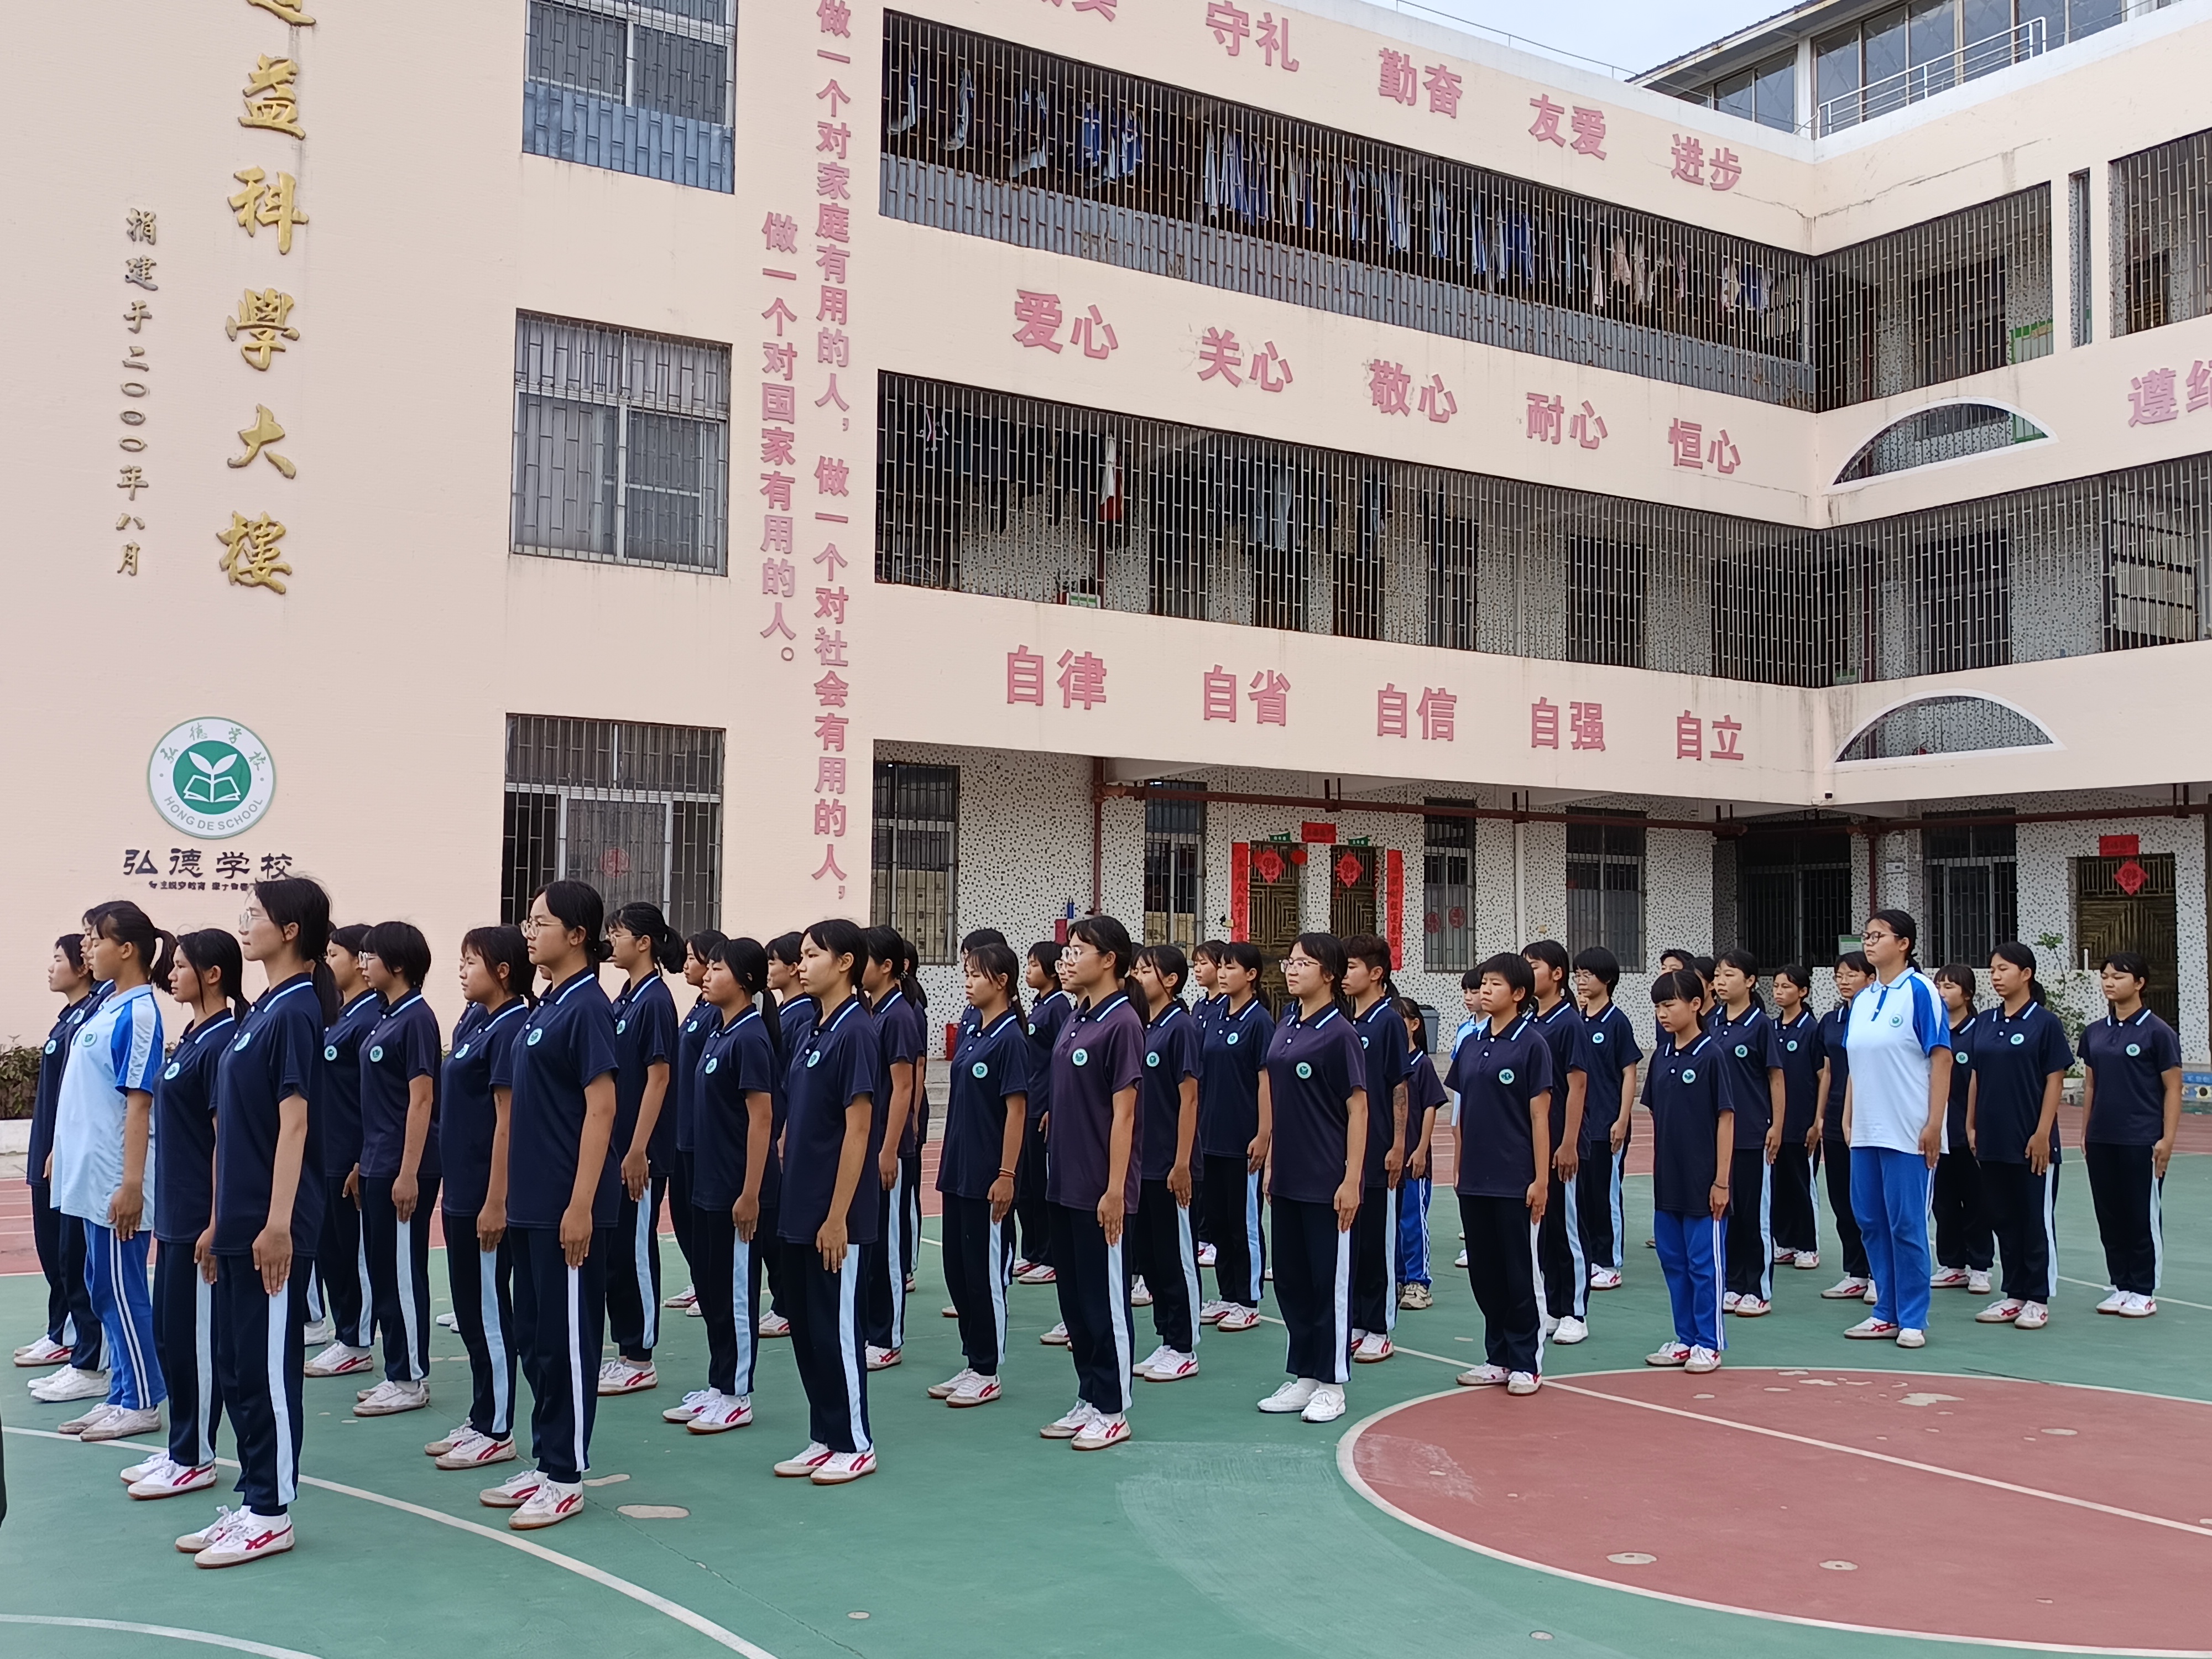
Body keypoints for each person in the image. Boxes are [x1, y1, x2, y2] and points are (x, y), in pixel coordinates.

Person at [177, 877, 336, 1567]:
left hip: (274, 1227)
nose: (245, 923)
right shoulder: (263, 1010)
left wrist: (278, 1224)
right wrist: (222, 1221)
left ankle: (271, 1512)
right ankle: (251, 1501)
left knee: (269, 1373)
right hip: (241, 1221)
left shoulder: (297, 1010)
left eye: (256, 914)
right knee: (240, 1368)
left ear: (291, 929)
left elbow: (294, 1123)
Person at [478, 881, 619, 1530]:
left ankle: (566, 1474)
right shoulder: (547, 1006)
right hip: (532, 1206)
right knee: (536, 1339)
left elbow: (601, 1108)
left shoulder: (587, 1007)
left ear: (577, 935)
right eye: (528, 921)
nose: (528, 932)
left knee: (566, 1343)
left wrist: (581, 1204)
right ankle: (545, 1460)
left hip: (567, 1207)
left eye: (541, 922)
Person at [45, 901, 171, 1440]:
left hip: (114, 1181)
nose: (88, 949)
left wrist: (131, 1185)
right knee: (102, 1287)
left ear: (127, 949)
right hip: (90, 1176)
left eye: (96, 940)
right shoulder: (108, 1006)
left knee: (122, 1290)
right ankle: (121, 1392)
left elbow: (139, 1104)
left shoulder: (139, 1015)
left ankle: (142, 1401)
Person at [126, 930, 243, 1496]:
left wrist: (216, 1223)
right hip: (173, 1218)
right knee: (171, 1338)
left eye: (179, 966)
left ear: (213, 974)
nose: (169, 974)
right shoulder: (194, 1037)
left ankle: (196, 1455)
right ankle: (181, 1446)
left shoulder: (222, 1043)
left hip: (199, 1219)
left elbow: (226, 1141)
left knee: (197, 1344)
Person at [773, 919, 883, 1484]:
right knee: (808, 1329)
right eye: (801, 955)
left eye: (813, 955)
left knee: (837, 1331)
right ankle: (825, 1434)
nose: (801, 965)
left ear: (845, 963)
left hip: (836, 1216)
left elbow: (858, 1131)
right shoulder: (813, 1029)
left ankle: (854, 1443)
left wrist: (838, 1216)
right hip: (799, 1208)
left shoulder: (856, 1032)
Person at [426, 925, 530, 1473]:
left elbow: (508, 1123)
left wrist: (496, 1201)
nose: (462, 971)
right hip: (461, 1191)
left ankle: (497, 1427)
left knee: (490, 1311)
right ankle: (481, 1413)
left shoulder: (510, 1028)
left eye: (472, 962)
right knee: (469, 1310)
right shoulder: (476, 1021)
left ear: (503, 971)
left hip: (486, 1197)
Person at [1040, 915, 1144, 1452]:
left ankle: (1113, 1407)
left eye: (1079, 949)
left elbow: (1124, 1115)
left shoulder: (1122, 1023)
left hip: (1100, 1189)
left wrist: (1114, 1189)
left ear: (1109, 960)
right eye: (1068, 949)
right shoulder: (1076, 1016)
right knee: (1077, 1302)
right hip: (1064, 1183)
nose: (1068, 958)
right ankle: (1089, 1394)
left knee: (1105, 1303)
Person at [1255, 933, 1368, 1423]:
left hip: (1327, 1181)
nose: (1292, 969)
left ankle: (1332, 1383)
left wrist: (1352, 1178)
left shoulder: (1339, 1033)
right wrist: (1272, 1162)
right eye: (1290, 961)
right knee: (1293, 1281)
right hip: (1288, 1178)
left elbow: (1358, 1108)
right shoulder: (1286, 1024)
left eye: (1304, 962)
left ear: (1330, 974)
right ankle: (1304, 1375)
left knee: (1328, 1283)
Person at [674, 937, 782, 1436]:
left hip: (738, 1189)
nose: (708, 975)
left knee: (737, 1291)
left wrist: (750, 1193)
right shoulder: (720, 1032)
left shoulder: (750, 1038)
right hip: (709, 1183)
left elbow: (762, 1120)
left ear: (745, 981)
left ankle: (737, 1394)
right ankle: (719, 1385)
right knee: (713, 1289)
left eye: (718, 968)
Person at [1445, 953, 1553, 1396]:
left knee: (1518, 1272)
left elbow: (1540, 1117)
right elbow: (1462, 1112)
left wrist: (1541, 1179)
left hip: (1515, 1180)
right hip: (1476, 1178)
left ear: (1519, 993)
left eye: (1495, 984)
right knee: (1485, 1273)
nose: (1485, 991)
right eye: (1483, 983)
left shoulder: (1532, 1045)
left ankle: (1526, 1361)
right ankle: (1498, 1357)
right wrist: (1459, 1167)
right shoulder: (1471, 1043)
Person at [1839, 910, 1948, 1348]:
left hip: (1908, 1131)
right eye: (1866, 936)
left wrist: (1934, 1123)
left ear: (1904, 944)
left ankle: (1913, 1317)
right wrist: (1848, 1117)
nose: (1868, 942)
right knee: (1870, 1220)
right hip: (1866, 1131)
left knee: (1906, 1226)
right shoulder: (1863, 1000)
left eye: (1878, 936)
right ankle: (1884, 1310)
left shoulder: (1920, 991)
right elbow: (1856, 1063)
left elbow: (1941, 1058)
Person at [931, 941, 1029, 1408]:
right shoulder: (974, 1031)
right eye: (966, 974)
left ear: (1002, 981)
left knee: (982, 1275)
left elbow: (1016, 1111)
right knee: (956, 1269)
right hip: (958, 1171)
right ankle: (972, 1360)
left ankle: (987, 1369)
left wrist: (1006, 1173)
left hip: (988, 1175)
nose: (967, 982)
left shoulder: (1011, 1038)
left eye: (975, 975)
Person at [352, 921, 442, 1418]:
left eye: (371, 956)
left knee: (404, 1273)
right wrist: (363, 1163)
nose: (363, 964)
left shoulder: (417, 1019)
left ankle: (411, 1378)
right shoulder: (384, 1016)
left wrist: (408, 1172)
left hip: (403, 1168)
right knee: (383, 1271)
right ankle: (396, 1371)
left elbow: (421, 1099)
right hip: (377, 1162)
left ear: (400, 963)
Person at [1968, 941, 2071, 1332]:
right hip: (1992, 1141)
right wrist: (1971, 1125)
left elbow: (2055, 1080)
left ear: (2026, 974)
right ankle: (2014, 1294)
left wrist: (2042, 1133)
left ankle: (2038, 1298)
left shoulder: (2044, 1023)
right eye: (1992, 970)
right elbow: (1976, 1075)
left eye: (2004, 969)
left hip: (2031, 1142)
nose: (1996, 977)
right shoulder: (1985, 1022)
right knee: (2003, 1218)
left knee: (2034, 1221)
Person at [17, 933, 105, 1383]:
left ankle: (77, 1337)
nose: (51, 968)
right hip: (47, 1153)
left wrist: (60, 1147)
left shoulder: (91, 1018)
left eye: (59, 958)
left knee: (71, 1254)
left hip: (64, 1154)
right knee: (52, 1249)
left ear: (82, 967)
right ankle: (60, 1329)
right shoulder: (68, 1019)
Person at [601, 902, 681, 1396]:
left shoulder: (655, 1001)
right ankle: (625, 1348)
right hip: (616, 1147)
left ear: (644, 942)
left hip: (639, 1154)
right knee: (616, 1253)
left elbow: (659, 1078)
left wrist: (638, 1149)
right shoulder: (625, 998)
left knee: (633, 1249)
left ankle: (639, 1355)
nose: (611, 941)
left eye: (619, 933)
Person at [2079, 951, 2182, 1318]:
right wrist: (2087, 1131)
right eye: (2105, 976)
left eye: (2119, 977)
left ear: (2139, 983)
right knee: (2110, 1215)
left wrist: (2167, 1139)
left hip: (2142, 1138)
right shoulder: (2095, 1032)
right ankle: (2121, 1284)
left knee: (2141, 1215)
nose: (2109, 983)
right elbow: (2091, 1085)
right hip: (2102, 1138)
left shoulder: (2158, 1032)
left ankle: (2143, 1289)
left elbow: (2173, 1088)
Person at [303, 925, 382, 1379]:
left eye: (334, 954)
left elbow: (373, 1098)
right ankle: (344, 1332)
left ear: (358, 960)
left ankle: (357, 1339)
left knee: (354, 1254)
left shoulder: (371, 1016)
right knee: (331, 1251)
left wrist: (360, 1157)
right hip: (326, 1153)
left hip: (351, 1155)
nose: (327, 963)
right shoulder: (340, 1014)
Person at [1642, 971, 1729, 1374]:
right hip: (1668, 1182)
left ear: (1696, 1004)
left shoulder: (1712, 1055)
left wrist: (1721, 1181)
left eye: (1669, 1005)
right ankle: (1685, 1338)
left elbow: (1726, 1119)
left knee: (1703, 1265)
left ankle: (1709, 1343)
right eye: (1658, 1006)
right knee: (1674, 1262)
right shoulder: (1661, 1056)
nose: (1662, 1013)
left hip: (1703, 1183)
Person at [1128, 944, 1202, 1383]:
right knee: (1151, 1259)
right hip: (1143, 1164)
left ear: (1171, 980)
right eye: (1135, 970)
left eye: (1145, 970)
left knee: (1176, 1258)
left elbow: (1189, 1099)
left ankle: (1185, 1345)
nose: (1136, 976)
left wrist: (1182, 1162)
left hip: (1171, 1165)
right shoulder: (1143, 1026)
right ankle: (1167, 1339)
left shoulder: (1181, 1028)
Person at [1197, 941, 1272, 1331]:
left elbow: (1266, 1081)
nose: (1222, 973)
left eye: (1231, 968)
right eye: (1221, 967)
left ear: (1251, 975)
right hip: (1209, 1137)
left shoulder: (1259, 1021)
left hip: (1242, 1140)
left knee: (1243, 1223)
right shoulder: (1214, 1016)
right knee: (1219, 1222)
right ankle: (1227, 1295)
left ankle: (1248, 1298)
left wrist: (1263, 1133)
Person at [860, 926, 925, 1370]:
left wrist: (889, 1149)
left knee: (887, 1244)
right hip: (871, 1144)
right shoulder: (873, 1011)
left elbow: (903, 1087)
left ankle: (888, 1337)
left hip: (889, 1148)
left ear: (886, 967)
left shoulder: (899, 1015)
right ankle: (872, 1328)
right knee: (872, 1240)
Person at [1339, 936, 1407, 1364]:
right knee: (1356, 1241)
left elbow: (1399, 1084)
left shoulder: (1389, 1022)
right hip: (1350, 1150)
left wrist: (1399, 1143)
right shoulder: (1348, 1021)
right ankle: (1359, 1321)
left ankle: (1380, 1327)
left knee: (1378, 1242)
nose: (1343, 975)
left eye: (1351, 967)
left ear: (1376, 973)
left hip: (1380, 1147)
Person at [1522, 940, 1592, 1343]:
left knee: (1568, 1230)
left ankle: (1575, 1312)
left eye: (1534, 966)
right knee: (1544, 1230)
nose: (1528, 972)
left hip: (1562, 1141)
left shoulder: (1569, 1023)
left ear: (1557, 974)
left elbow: (1577, 1085)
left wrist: (1568, 1143)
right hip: (1536, 1142)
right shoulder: (1531, 1021)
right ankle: (1552, 1305)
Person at [1708, 948, 1783, 1317]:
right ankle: (1734, 1283)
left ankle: (1758, 1288)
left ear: (1751, 981)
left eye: (1730, 975)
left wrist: (1777, 1126)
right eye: (1718, 975)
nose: (1721, 982)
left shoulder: (1760, 1025)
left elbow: (1776, 1078)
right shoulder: (1712, 1023)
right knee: (1728, 1213)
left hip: (1753, 1134)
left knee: (1755, 1215)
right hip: (1719, 1137)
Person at [663, 928, 727, 1320]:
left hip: (700, 1131)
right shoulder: (698, 1008)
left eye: (694, 958)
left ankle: (711, 1284)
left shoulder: (717, 1014)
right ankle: (699, 1278)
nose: (687, 965)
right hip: (682, 1126)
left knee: (702, 1217)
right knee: (683, 1213)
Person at [1571, 947, 1641, 1293]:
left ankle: (1609, 1262)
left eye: (1588, 974)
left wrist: (1622, 1119)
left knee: (1605, 1195)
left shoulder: (1617, 1022)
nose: (1581, 981)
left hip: (1607, 1123)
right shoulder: (1576, 1020)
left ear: (1608, 979)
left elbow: (1629, 1072)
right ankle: (1588, 1257)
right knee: (1582, 1196)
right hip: (1581, 1126)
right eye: (1578, 974)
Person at [1813, 950, 1874, 1303]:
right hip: (1837, 1118)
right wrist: (1821, 1117)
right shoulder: (1832, 1020)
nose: (1844, 981)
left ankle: (1880, 1274)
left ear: (1870, 978)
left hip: (1871, 1119)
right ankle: (1856, 1272)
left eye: (1852, 974)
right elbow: (1828, 1071)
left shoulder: (1877, 1018)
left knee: (1870, 1201)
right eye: (1839, 975)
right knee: (1842, 1199)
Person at [1928, 965, 1992, 1296]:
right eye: (1939, 986)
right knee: (1944, 1203)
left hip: (1969, 1136)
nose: (1942, 993)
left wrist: (1975, 1126)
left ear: (1967, 994)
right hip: (1938, 1134)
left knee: (1977, 1203)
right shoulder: (1932, 1032)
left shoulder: (1979, 1032)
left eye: (1950, 987)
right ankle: (1952, 1264)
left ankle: (1980, 1267)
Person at [1014, 941, 1071, 1286]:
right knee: (1026, 1186)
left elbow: (1060, 1060)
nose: (1029, 971)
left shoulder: (1059, 1006)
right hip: (1029, 1102)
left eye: (1035, 965)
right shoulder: (1038, 1005)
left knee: (1041, 1185)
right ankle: (1032, 1251)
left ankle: (1049, 1256)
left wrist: (1051, 1104)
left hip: (1043, 1107)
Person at [1767, 965, 1822, 1273]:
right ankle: (1785, 1242)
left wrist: (1817, 1121)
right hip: (1777, 1124)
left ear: (1803, 992)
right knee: (1779, 1186)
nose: (1779, 992)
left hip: (1802, 1123)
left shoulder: (1811, 1029)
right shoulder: (1771, 1029)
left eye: (1786, 987)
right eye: (1776, 986)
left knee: (1802, 1186)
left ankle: (1808, 1246)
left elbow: (1822, 1076)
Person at [1393, 999, 1448, 1311]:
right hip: (1391, 1161)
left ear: (1415, 1024)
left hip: (1414, 1161)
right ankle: (1399, 1278)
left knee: (1413, 1222)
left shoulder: (1422, 1064)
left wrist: (1421, 1149)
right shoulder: (1388, 1062)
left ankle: (1419, 1282)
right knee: (1393, 1224)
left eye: (1400, 1020)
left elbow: (1430, 1107)